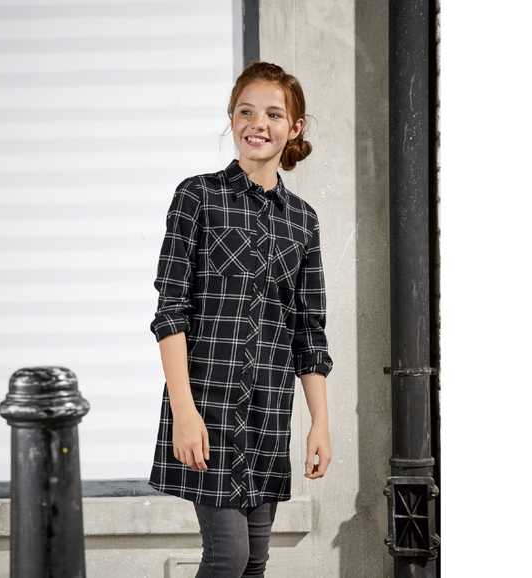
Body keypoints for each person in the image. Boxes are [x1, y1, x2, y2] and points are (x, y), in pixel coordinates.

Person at [148, 61, 333, 578]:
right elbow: (170, 312)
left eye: (274, 114)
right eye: (246, 111)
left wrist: (320, 424)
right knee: (227, 556)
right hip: (207, 408)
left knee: (254, 561)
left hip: (268, 414)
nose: (258, 123)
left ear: (294, 127)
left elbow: (309, 333)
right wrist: (184, 413)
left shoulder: (303, 221)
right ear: (231, 118)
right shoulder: (197, 197)